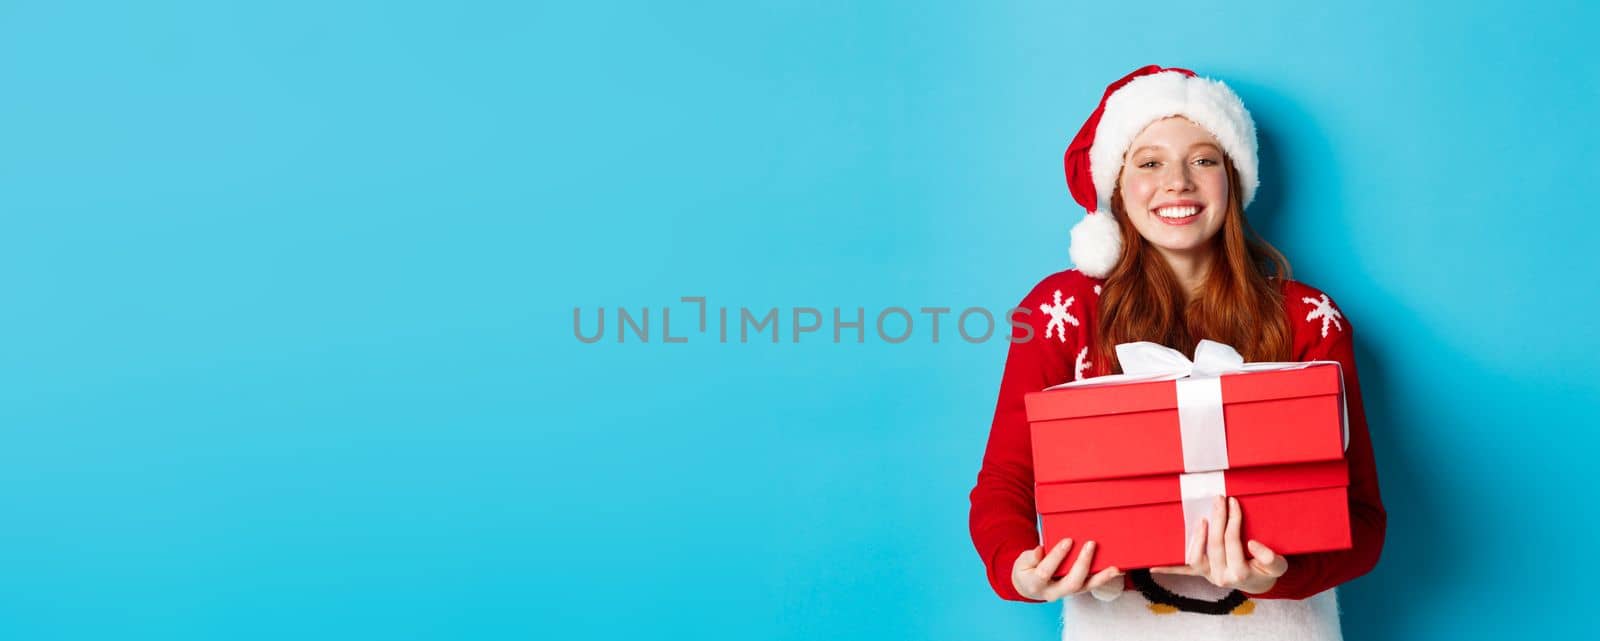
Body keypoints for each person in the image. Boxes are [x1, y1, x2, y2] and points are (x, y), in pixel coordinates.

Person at [967, 65, 1386, 641]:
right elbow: (1007, 479)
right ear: (1117, 185)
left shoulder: (1307, 318)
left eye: (1203, 159)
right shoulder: (1063, 310)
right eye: (1149, 162)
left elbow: (1362, 518)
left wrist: (1280, 577)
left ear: (1233, 178)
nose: (1178, 182)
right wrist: (1018, 566)